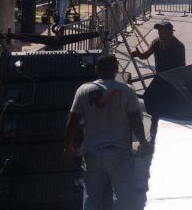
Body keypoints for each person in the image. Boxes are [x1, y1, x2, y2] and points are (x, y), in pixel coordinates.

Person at [65, 54, 150, 210]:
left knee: (92, 197)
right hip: (119, 154)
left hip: (92, 154)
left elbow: (72, 121)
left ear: (97, 69)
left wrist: (68, 146)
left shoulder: (83, 90)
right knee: (124, 197)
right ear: (117, 70)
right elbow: (135, 120)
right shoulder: (126, 90)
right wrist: (143, 143)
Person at [131, 21, 185, 140]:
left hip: (172, 80)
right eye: (159, 31)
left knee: (169, 106)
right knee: (150, 99)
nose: (160, 34)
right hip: (160, 78)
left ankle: (170, 129)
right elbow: (146, 55)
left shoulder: (178, 46)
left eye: (163, 31)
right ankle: (154, 131)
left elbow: (182, 67)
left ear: (170, 32)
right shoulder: (156, 42)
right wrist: (138, 54)